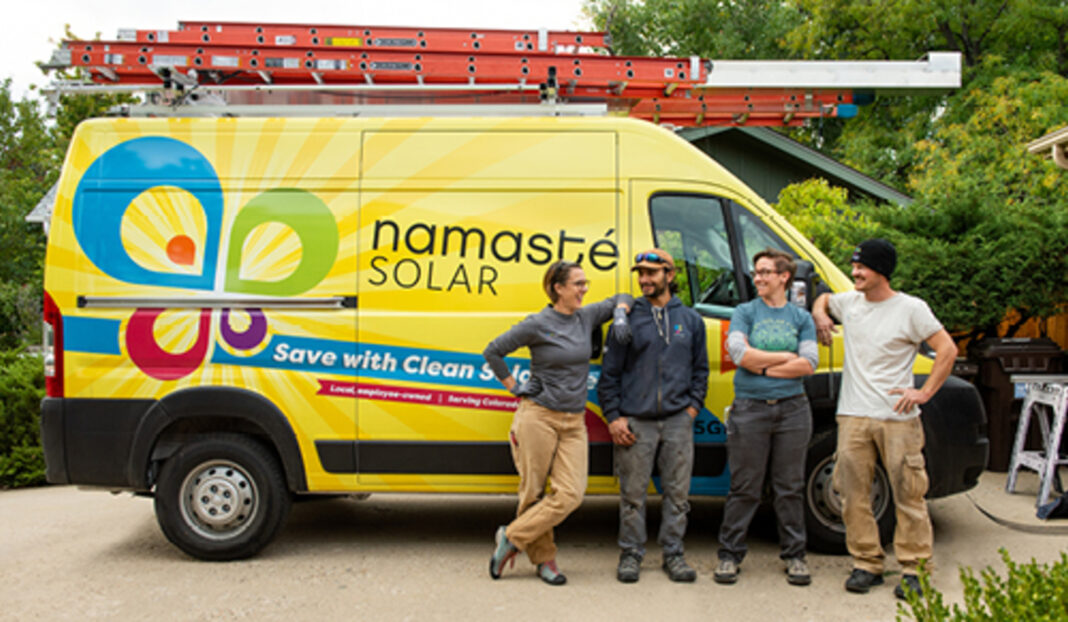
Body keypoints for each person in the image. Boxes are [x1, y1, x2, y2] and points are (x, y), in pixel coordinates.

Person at [811, 238, 958, 599]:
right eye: (855, 266)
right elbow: (825, 299)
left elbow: (947, 349)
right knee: (851, 495)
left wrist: (924, 393)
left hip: (898, 418)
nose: (855, 273)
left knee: (909, 494)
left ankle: (914, 569)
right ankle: (867, 564)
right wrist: (819, 314)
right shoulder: (850, 303)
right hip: (853, 417)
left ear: (882, 272)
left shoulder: (911, 309)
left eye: (862, 268)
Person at [484, 260, 633, 586]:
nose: (584, 289)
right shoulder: (538, 323)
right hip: (538, 417)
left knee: (570, 494)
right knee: (533, 492)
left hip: (573, 422)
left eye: (585, 283)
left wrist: (620, 314)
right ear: (558, 288)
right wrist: (514, 387)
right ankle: (545, 561)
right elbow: (494, 351)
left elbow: (624, 295)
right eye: (578, 284)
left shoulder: (586, 316)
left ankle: (510, 536)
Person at [597, 249, 708, 583]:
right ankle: (631, 554)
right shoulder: (627, 319)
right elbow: (609, 374)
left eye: (651, 273)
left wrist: (692, 408)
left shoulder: (690, 320)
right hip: (635, 421)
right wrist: (614, 417)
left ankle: (673, 554)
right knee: (632, 495)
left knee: (677, 494)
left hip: (677, 420)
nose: (644, 279)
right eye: (640, 274)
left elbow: (700, 370)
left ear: (669, 275)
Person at [714, 249, 818, 587]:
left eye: (765, 272)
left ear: (784, 277)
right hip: (750, 409)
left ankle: (795, 556)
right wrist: (783, 357)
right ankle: (729, 555)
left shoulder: (801, 318)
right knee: (745, 487)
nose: (758, 278)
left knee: (789, 487)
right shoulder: (744, 312)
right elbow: (739, 355)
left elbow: (808, 364)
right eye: (756, 272)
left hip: (793, 411)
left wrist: (762, 363)